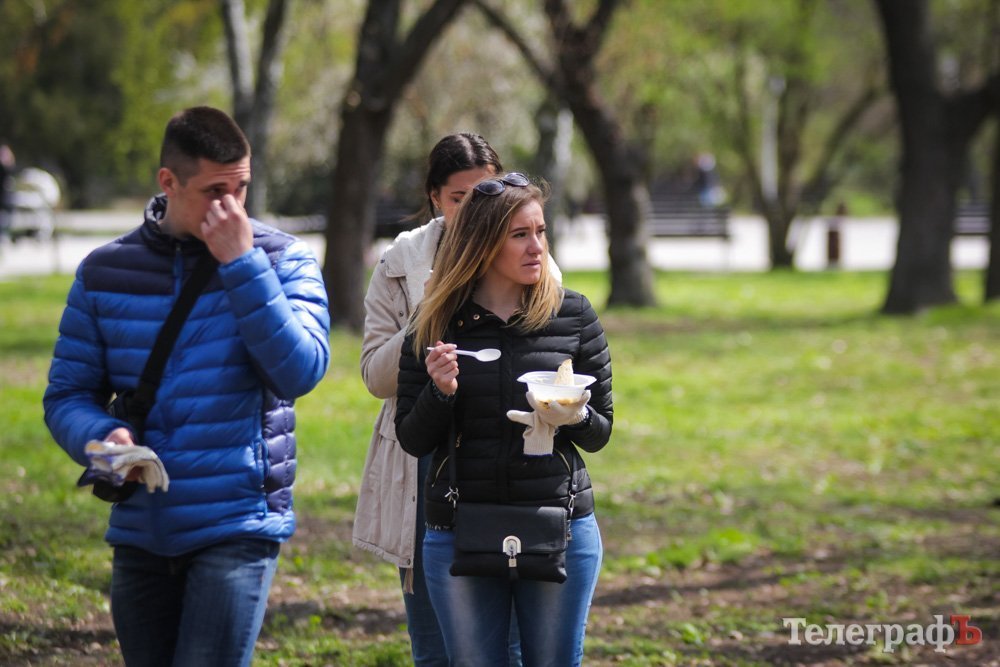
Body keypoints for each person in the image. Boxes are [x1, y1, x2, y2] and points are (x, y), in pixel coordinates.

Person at [43, 106, 331, 667]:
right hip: (140, 527)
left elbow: (299, 372)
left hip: (238, 523)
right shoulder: (105, 271)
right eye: (214, 191)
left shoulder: (283, 258)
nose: (232, 208)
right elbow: (67, 395)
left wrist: (242, 265)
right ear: (168, 183)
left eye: (241, 189)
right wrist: (102, 437)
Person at [394, 172, 613, 666]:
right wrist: (441, 392)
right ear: (482, 245)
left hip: (560, 523)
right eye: (520, 235)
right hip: (459, 528)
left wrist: (570, 411)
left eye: (540, 231)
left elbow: (600, 432)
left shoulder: (573, 315)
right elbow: (412, 437)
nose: (537, 247)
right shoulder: (432, 323)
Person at [354, 133, 536, 666]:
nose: (479, 208)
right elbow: (375, 376)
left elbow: (549, 350)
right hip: (425, 458)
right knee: (433, 641)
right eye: (462, 198)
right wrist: (429, 310)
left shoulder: (527, 251)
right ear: (435, 197)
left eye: (490, 191)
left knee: (509, 642)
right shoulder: (401, 262)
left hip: (503, 456)